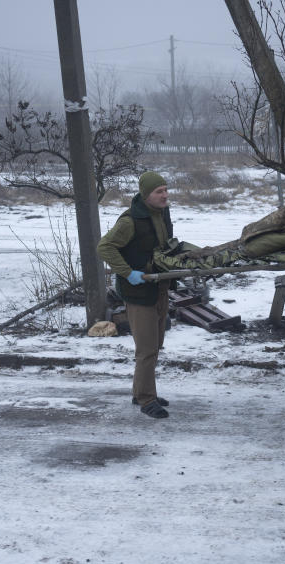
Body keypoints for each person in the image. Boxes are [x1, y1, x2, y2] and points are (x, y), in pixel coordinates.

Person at [97, 171, 174, 419]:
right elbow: (104, 247)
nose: (164, 195)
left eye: (165, 189)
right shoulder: (130, 221)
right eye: (158, 192)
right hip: (138, 292)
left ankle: (141, 390)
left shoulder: (162, 214)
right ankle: (145, 399)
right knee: (147, 348)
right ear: (145, 195)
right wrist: (128, 272)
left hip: (159, 287)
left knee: (156, 344)